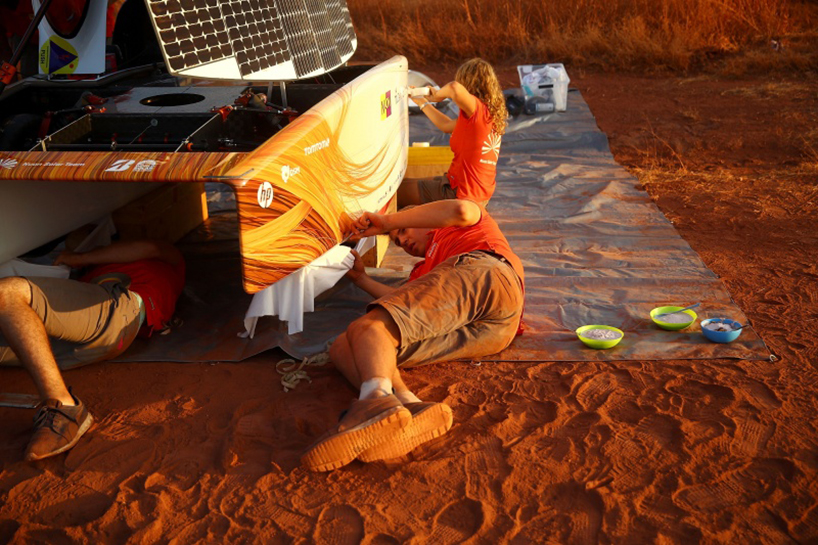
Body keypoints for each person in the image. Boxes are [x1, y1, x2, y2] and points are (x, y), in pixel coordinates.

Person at [301, 199, 524, 472]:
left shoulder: (463, 228)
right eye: (396, 241)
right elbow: (399, 305)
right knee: (346, 346)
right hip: (494, 331)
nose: (402, 241)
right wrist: (361, 279)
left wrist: (387, 223)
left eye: (404, 232)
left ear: (422, 218)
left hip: (489, 274)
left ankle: (374, 400)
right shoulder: (423, 272)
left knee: (368, 328)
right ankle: (409, 405)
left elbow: (462, 210)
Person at [0, 239, 185, 461]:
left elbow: (152, 246)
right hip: (88, 343)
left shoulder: (164, 260)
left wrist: (79, 257)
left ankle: (65, 406)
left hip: (120, 308)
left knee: (7, 292)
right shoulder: (81, 279)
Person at [399, 58, 508, 208]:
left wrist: (437, 96)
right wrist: (421, 102)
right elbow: (445, 125)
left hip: (461, 193)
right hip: (472, 190)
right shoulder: (486, 116)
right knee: (403, 183)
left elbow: (454, 88)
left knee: (395, 194)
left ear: (467, 83)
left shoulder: (477, 109)